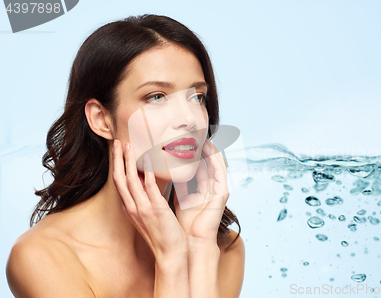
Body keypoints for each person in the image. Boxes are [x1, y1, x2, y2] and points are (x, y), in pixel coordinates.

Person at [5, 14, 245, 298]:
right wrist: (171, 260)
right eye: (156, 96)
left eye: (197, 97)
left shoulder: (222, 248)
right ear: (101, 119)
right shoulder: (44, 257)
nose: (189, 119)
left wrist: (199, 247)